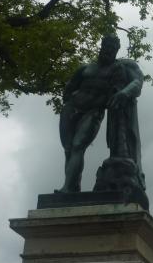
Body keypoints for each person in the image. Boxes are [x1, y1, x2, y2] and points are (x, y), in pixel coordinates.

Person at [57, 34, 145, 193]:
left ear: (116, 52)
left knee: (78, 145)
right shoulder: (85, 68)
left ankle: (67, 188)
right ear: (101, 47)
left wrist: (124, 93)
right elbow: (70, 86)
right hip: (72, 109)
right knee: (68, 148)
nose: (108, 52)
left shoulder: (118, 69)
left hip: (93, 112)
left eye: (112, 49)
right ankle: (72, 186)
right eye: (106, 48)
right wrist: (69, 99)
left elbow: (130, 85)